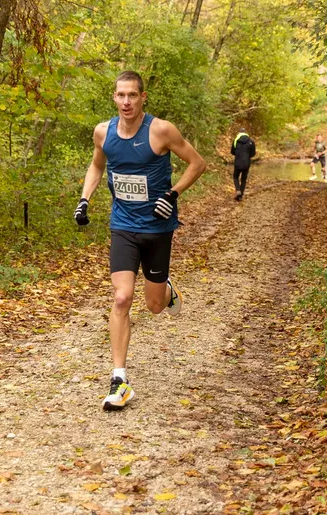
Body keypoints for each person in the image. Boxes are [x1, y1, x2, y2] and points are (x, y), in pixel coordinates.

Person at [73, 71, 207, 411]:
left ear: (143, 97)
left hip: (158, 229)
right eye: (121, 95)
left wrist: (173, 194)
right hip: (123, 226)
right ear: (114, 97)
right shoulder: (104, 133)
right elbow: (96, 166)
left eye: (133, 95)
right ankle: (119, 380)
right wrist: (84, 199)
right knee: (121, 298)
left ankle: (165, 289)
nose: (126, 101)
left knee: (155, 306)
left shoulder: (161, 130)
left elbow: (197, 163)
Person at [230, 129, 256, 201]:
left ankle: (238, 190)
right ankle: (241, 195)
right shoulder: (251, 141)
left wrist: (238, 154)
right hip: (247, 163)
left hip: (238, 162)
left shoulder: (235, 141)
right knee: (243, 179)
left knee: (235, 177)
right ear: (245, 133)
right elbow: (253, 154)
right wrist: (247, 156)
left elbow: (232, 152)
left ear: (239, 133)